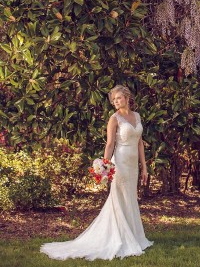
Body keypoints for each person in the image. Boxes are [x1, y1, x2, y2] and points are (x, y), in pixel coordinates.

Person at [40, 85, 153, 260]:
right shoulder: (114, 119)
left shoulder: (136, 116)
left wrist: (144, 166)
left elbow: (139, 143)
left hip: (133, 165)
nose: (115, 102)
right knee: (119, 199)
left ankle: (134, 236)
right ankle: (121, 238)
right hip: (120, 163)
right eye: (113, 100)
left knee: (130, 198)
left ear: (127, 98)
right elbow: (109, 144)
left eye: (118, 98)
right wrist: (105, 166)